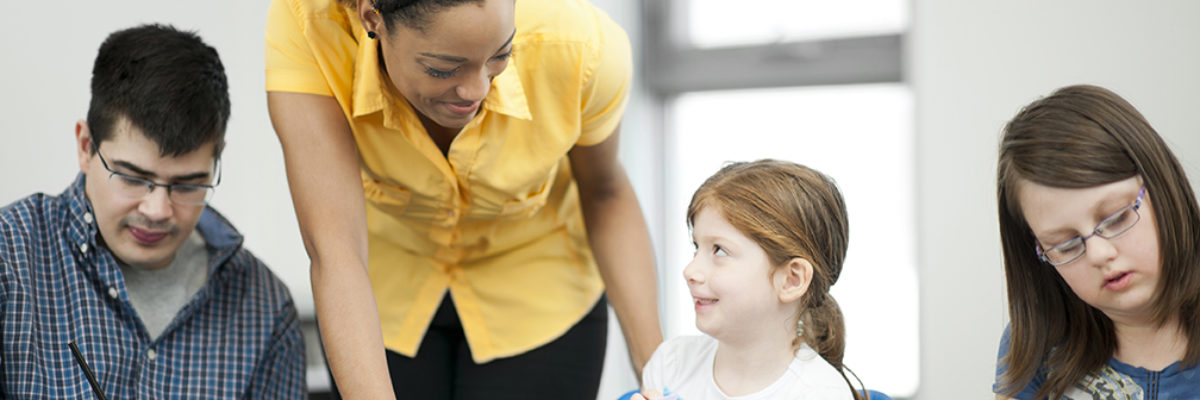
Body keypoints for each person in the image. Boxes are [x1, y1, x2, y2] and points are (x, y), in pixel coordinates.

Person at [264, 0, 662, 398]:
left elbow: (605, 193)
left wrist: (659, 375)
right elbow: (336, 247)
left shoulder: (582, 45)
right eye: (443, 68)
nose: (477, 90)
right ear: (372, 18)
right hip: (386, 295)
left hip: (541, 294)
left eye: (500, 54)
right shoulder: (310, 26)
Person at [0, 24, 305, 398]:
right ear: (85, 146)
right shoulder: (9, 262)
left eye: (188, 185)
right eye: (132, 178)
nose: (158, 210)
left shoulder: (265, 308)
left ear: (216, 160)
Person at [993, 85, 1200, 399]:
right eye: (1065, 245)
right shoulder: (1036, 349)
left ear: (1161, 186)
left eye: (1117, 218)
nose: (1100, 253)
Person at [635, 160, 863, 400]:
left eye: (719, 250)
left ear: (791, 280)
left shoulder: (822, 393)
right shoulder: (671, 364)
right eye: (696, 247)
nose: (690, 270)